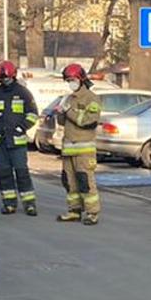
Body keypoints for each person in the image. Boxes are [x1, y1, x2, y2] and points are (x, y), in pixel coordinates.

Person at [0, 61, 40, 216]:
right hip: (0, 141)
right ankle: (9, 203)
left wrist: (21, 127)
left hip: (17, 141)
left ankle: (29, 204)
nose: (5, 80)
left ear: (13, 76)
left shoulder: (23, 93)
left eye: (7, 78)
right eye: (2, 78)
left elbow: (33, 114)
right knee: (4, 174)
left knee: (22, 173)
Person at [55, 63, 102, 225]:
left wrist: (69, 111)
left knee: (85, 181)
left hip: (84, 150)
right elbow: (62, 122)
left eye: (73, 80)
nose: (71, 83)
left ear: (81, 80)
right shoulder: (68, 98)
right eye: (68, 80)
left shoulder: (92, 98)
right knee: (69, 182)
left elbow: (89, 121)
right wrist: (60, 113)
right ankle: (74, 210)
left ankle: (92, 212)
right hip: (68, 149)